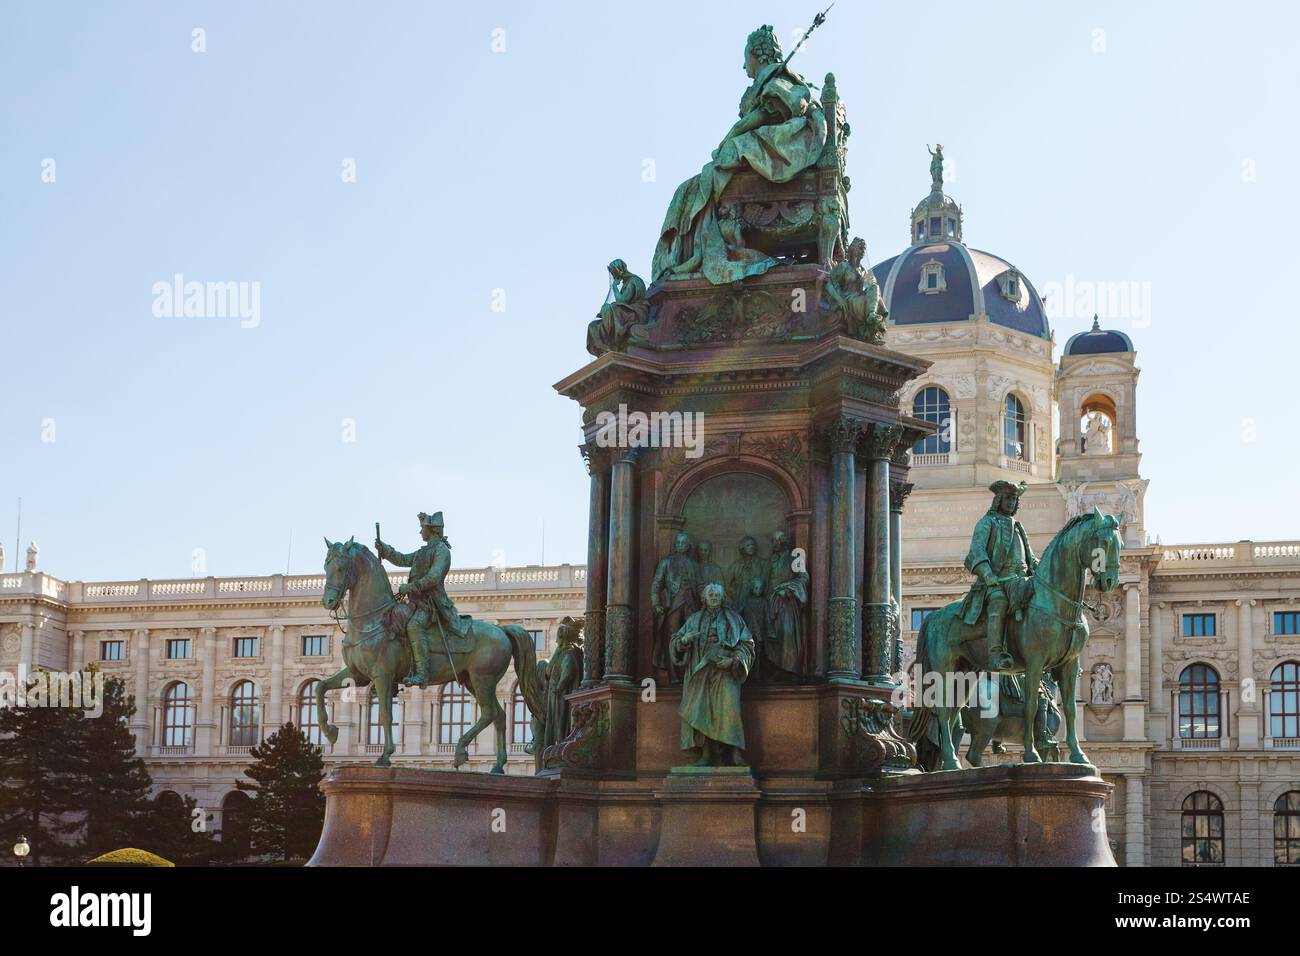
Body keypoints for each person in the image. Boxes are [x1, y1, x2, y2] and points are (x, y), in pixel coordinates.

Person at [651, 25, 827, 285]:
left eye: (746, 59)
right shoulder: (769, 81)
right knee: (692, 187)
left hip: (779, 152)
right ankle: (691, 253)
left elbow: (763, 116)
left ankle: (694, 254)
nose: (744, 67)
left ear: (757, 55)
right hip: (767, 152)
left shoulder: (776, 82)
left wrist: (729, 139)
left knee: (701, 181)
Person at [376, 511, 466, 687]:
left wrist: (410, 587)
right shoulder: (422, 552)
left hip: (431, 604)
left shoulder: (442, 551)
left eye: (422, 529)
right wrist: (385, 549)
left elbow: (434, 577)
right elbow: (402, 559)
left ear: (431, 530)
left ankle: (422, 674)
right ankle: (392, 674)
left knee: (414, 626)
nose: (420, 532)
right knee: (392, 621)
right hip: (415, 603)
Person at [670, 583, 755, 766]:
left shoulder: (734, 619)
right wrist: (684, 640)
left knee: (729, 710)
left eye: (717, 595)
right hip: (700, 669)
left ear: (722, 597)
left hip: (725, 669)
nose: (714, 597)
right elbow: (676, 640)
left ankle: (735, 752)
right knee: (702, 710)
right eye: (711, 595)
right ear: (704, 598)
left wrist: (733, 661)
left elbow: (747, 644)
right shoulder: (694, 620)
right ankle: (706, 754)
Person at [959, 482, 1037, 671]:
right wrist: (987, 574)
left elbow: (1029, 555)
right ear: (999, 500)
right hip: (996, 583)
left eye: (1015, 499)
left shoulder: (1018, 526)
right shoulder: (987, 522)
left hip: (1021, 580)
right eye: (1008, 498)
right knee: (999, 602)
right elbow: (976, 551)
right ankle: (995, 654)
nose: (1012, 502)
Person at [651, 531, 700, 682]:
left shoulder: (693, 565)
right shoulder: (666, 562)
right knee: (672, 639)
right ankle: (673, 675)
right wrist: (656, 604)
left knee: (693, 638)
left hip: (691, 605)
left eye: (684, 543)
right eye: (678, 543)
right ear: (675, 545)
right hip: (672, 606)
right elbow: (656, 584)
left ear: (688, 546)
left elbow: (699, 585)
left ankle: (690, 673)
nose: (681, 545)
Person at [586, 259, 649, 356]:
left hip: (636, 313)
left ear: (618, 270)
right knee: (593, 326)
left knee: (608, 308)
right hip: (625, 312)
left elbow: (622, 301)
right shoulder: (626, 283)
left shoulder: (634, 280)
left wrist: (615, 286)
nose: (612, 274)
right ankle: (604, 349)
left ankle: (614, 341)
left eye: (613, 271)